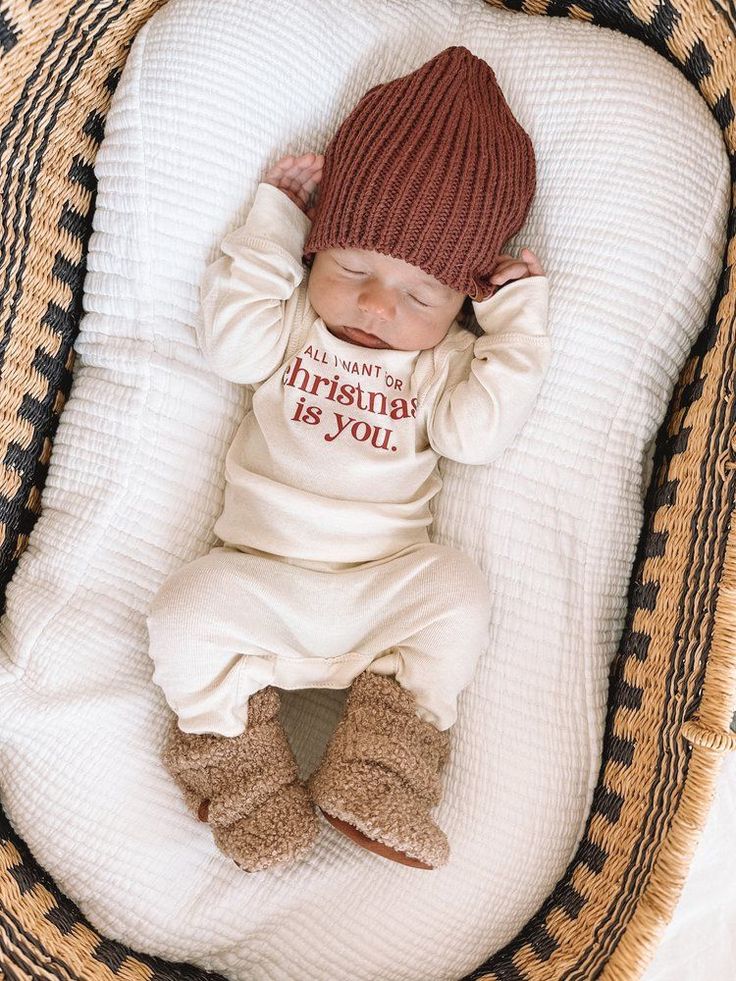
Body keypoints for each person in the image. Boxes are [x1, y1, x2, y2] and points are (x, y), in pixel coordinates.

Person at [146, 45, 551, 873]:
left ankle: (380, 769)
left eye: (421, 295)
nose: (375, 304)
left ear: (462, 300)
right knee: (184, 610)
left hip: (380, 590)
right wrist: (271, 226)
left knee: (457, 592)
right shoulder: (291, 323)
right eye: (353, 267)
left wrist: (517, 329)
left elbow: (478, 434)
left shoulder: (440, 368)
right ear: (315, 251)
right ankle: (245, 780)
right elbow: (229, 344)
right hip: (261, 579)